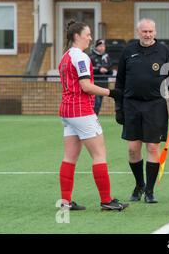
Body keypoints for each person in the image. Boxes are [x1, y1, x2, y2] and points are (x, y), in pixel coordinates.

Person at [58, 20, 128, 211]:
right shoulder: (80, 57)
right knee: (99, 155)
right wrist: (112, 93)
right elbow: (85, 86)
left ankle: (65, 202)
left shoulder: (65, 57)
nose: (90, 38)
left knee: (69, 157)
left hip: (67, 111)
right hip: (81, 111)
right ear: (76, 36)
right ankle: (106, 200)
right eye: (87, 34)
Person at [114, 18, 169, 204]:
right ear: (138, 32)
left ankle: (150, 191)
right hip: (131, 105)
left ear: (155, 32)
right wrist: (118, 108)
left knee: (152, 147)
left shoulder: (164, 51)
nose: (148, 34)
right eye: (144, 31)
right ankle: (139, 184)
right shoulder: (128, 51)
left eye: (151, 31)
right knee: (133, 149)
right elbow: (120, 82)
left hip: (155, 106)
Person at [89, 39, 113, 115]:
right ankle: (92, 118)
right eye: (100, 46)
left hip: (103, 84)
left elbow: (111, 70)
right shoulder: (91, 57)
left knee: (99, 104)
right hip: (94, 84)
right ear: (96, 47)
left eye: (103, 46)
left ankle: (95, 118)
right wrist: (99, 69)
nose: (102, 48)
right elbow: (89, 69)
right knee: (96, 102)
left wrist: (107, 71)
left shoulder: (107, 57)